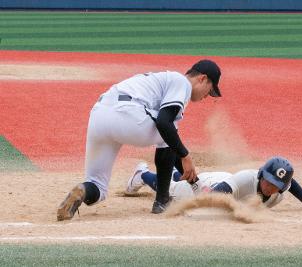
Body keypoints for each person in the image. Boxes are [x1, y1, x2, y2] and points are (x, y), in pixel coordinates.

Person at [57, 59, 222, 220]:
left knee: (98, 187)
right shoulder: (182, 82)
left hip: (99, 114)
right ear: (202, 78)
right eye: (210, 90)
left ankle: (83, 190)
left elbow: (169, 141)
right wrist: (185, 156)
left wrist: (195, 182)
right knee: (169, 129)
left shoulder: (163, 80)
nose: (207, 96)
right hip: (127, 113)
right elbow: (164, 124)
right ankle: (162, 201)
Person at [126, 156, 302, 209]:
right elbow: (217, 193)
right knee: (172, 191)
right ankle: (142, 174)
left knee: (182, 181)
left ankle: (178, 172)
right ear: (262, 175)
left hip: (225, 179)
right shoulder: (247, 178)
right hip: (216, 185)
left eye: (276, 184)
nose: (270, 186)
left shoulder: (280, 191)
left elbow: (291, 183)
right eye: (268, 181)